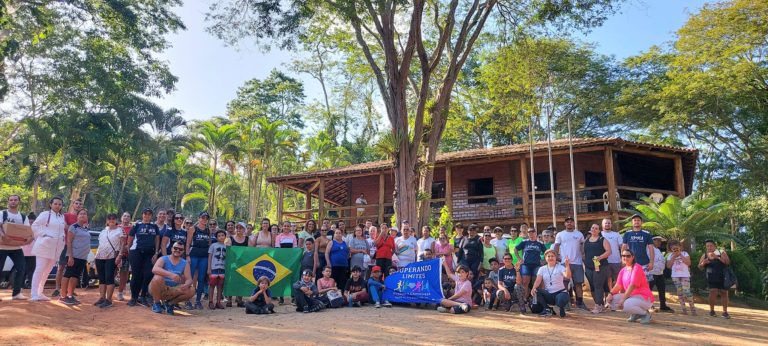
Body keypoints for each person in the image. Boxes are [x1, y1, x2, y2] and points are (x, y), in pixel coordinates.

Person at [30, 197, 66, 301]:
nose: (58, 206)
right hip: (44, 247)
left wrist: (62, 239)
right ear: (51, 204)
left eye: (60, 204)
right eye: (55, 204)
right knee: (39, 269)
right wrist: (44, 235)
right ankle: (34, 294)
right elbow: (35, 225)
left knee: (47, 271)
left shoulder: (61, 217)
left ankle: (40, 293)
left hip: (56, 249)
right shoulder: (45, 214)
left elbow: (61, 230)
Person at [607, 249, 654, 324]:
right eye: (623, 256)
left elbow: (632, 285)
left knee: (626, 304)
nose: (625, 258)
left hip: (644, 297)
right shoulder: (623, 270)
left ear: (633, 257)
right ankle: (636, 314)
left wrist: (623, 299)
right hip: (632, 297)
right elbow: (618, 285)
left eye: (628, 256)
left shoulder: (637, 267)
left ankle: (645, 314)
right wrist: (610, 294)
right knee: (612, 300)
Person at [125, 207, 161, 307]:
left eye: (149, 214)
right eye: (145, 213)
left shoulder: (154, 226)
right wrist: (129, 250)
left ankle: (143, 296)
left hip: (150, 253)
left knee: (148, 275)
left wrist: (156, 252)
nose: (147, 215)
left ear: (151, 216)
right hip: (136, 252)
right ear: (142, 214)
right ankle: (134, 298)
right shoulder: (137, 225)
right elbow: (130, 238)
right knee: (136, 275)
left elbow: (157, 239)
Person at [148, 241, 195, 315]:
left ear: (183, 251)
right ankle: (156, 303)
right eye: (175, 248)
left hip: (173, 289)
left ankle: (170, 304)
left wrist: (186, 284)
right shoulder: (163, 259)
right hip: (159, 288)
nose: (177, 250)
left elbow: (189, 279)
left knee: (191, 290)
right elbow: (155, 269)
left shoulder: (185, 263)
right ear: (171, 249)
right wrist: (171, 275)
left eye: (180, 249)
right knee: (157, 278)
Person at [0, 194, 32, 300]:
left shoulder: (23, 217)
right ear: (8, 202)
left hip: (16, 247)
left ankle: (16, 293)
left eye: (15, 200)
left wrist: (29, 238)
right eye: (11, 200)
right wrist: (3, 236)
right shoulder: (2, 213)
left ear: (19, 202)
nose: (13, 201)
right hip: (2, 246)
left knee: (21, 268)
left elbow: (27, 230)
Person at [53, 198, 86, 298]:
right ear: (73, 204)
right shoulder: (66, 215)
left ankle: (70, 290)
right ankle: (57, 289)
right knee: (61, 267)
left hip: (77, 247)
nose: (78, 205)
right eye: (76, 203)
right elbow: (66, 227)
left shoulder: (83, 217)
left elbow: (84, 229)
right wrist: (75, 228)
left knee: (73, 269)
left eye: (80, 204)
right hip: (65, 244)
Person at [553, 216, 587, 310]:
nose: (569, 223)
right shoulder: (560, 234)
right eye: (567, 222)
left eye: (571, 221)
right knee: (564, 283)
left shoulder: (579, 234)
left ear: (574, 223)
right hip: (565, 262)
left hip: (577, 262)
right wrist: (557, 257)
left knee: (578, 283)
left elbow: (582, 246)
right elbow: (556, 246)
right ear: (565, 224)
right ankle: (566, 302)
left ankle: (580, 302)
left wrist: (583, 256)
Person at [59, 208, 90, 305]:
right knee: (68, 274)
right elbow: (69, 241)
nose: (82, 215)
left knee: (75, 276)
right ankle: (63, 296)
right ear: (77, 216)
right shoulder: (73, 227)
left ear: (87, 217)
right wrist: (70, 256)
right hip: (74, 256)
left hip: (82, 257)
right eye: (80, 214)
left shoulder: (85, 229)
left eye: (84, 214)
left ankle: (70, 295)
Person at [93, 213, 125, 308]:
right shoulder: (103, 231)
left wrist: (119, 256)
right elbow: (100, 244)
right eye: (109, 218)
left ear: (116, 220)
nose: (111, 220)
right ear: (107, 220)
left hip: (111, 257)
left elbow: (123, 244)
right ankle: (102, 298)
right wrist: (96, 257)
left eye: (113, 218)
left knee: (109, 277)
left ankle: (109, 299)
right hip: (100, 256)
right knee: (101, 278)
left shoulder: (120, 230)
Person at [532, 249, 572, 318]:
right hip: (549, 294)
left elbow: (568, 276)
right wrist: (533, 288)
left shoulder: (560, 267)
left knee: (561, 299)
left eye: (552, 256)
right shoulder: (542, 269)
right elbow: (538, 280)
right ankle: (547, 309)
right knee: (536, 291)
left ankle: (561, 308)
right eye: (548, 256)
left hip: (560, 292)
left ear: (556, 257)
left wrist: (567, 265)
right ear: (545, 258)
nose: (550, 258)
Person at [698, 239, 731, 319]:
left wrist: (717, 257)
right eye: (707, 246)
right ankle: (712, 311)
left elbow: (727, 262)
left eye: (711, 246)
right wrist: (703, 263)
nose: (709, 247)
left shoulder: (721, 252)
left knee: (724, 292)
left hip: (723, 276)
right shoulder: (705, 255)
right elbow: (699, 267)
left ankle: (725, 312)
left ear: (715, 246)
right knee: (713, 291)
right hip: (711, 276)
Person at [186, 211, 211, 310]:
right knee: (190, 278)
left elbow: (209, 243)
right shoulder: (193, 229)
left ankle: (198, 301)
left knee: (201, 279)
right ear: (199, 218)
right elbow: (187, 243)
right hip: (194, 255)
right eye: (203, 217)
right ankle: (187, 300)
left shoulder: (208, 230)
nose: (204, 219)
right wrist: (187, 255)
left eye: (206, 218)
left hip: (204, 256)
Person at [583, 223, 610, 314]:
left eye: (596, 228)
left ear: (599, 230)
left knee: (598, 285)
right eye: (592, 228)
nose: (594, 229)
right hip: (588, 267)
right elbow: (584, 253)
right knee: (592, 286)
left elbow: (609, 252)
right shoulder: (587, 240)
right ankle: (600, 304)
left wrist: (600, 257)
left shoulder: (602, 240)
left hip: (600, 266)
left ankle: (598, 306)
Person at [515, 227, 546, 302]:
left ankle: (536, 298)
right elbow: (516, 249)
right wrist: (519, 258)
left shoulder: (540, 243)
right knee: (525, 282)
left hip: (536, 265)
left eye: (532, 232)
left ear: (535, 233)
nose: (531, 233)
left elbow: (546, 252)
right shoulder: (524, 242)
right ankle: (525, 298)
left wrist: (544, 261)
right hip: (526, 265)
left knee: (536, 282)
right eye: (529, 232)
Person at [666, 239, 696, 315]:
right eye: (673, 248)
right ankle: (684, 309)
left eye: (677, 248)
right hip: (675, 276)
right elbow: (668, 266)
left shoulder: (685, 253)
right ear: (670, 249)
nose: (675, 250)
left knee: (687, 291)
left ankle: (692, 308)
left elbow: (688, 263)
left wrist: (680, 255)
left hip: (685, 275)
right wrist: (673, 257)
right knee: (679, 292)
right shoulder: (670, 255)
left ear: (680, 247)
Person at [649, 236, 673, 312]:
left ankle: (663, 305)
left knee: (662, 289)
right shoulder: (648, 249)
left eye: (660, 241)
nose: (660, 242)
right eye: (658, 241)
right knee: (649, 290)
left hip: (660, 273)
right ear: (653, 241)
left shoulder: (658, 250)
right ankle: (649, 305)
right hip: (651, 272)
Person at [600, 218, 623, 293]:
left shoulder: (616, 235)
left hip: (616, 260)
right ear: (602, 225)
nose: (607, 224)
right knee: (608, 279)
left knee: (618, 278)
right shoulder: (600, 234)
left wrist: (623, 258)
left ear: (611, 224)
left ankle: (618, 294)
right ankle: (610, 294)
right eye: (605, 223)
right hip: (604, 261)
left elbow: (621, 247)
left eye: (609, 223)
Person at [208, 230, 227, 309]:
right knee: (212, 285)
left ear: (225, 237)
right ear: (216, 237)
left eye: (222, 235)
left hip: (222, 268)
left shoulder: (226, 247)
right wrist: (209, 268)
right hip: (214, 268)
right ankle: (210, 301)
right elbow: (210, 257)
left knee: (220, 286)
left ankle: (218, 302)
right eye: (219, 236)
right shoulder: (213, 245)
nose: (221, 237)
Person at [117, 212, 133, 301]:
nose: (126, 217)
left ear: (130, 219)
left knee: (124, 274)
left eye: (128, 216)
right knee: (113, 273)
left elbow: (132, 241)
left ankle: (120, 292)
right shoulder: (117, 227)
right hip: (114, 254)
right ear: (121, 217)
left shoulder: (132, 229)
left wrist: (125, 249)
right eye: (124, 216)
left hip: (126, 254)